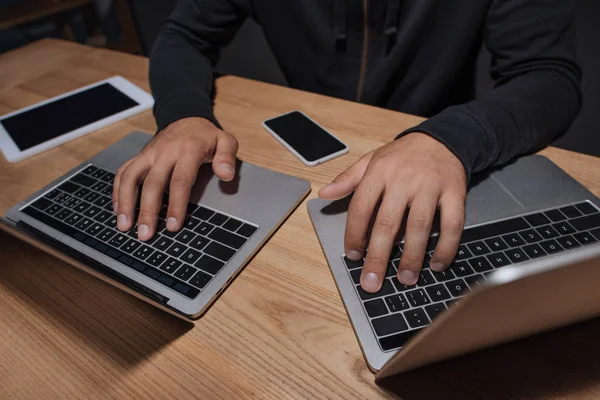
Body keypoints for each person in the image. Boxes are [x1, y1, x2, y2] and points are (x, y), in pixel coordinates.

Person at [112, 0, 581, 293]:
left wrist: (450, 139)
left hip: (440, 149)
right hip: (317, 171)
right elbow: (184, 35)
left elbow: (548, 77)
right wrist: (183, 115)